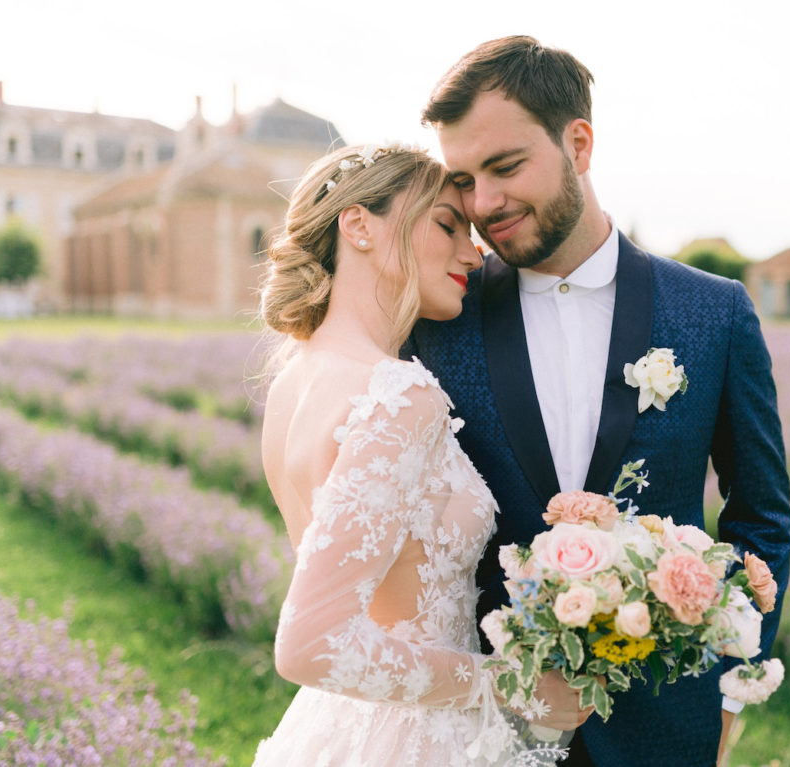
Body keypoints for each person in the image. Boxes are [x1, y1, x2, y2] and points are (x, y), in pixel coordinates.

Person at [405, 36, 790, 767]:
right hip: (481, 729)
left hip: (664, 727)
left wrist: (729, 686)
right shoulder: (436, 322)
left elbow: (760, 516)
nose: (484, 204)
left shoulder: (715, 314)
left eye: (506, 166)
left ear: (578, 143)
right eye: (463, 179)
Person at [251, 143, 590, 767]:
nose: (473, 251)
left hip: (338, 729)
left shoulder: (292, 385)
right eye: (445, 225)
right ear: (358, 226)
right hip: (419, 739)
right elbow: (310, 645)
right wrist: (510, 683)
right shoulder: (400, 392)